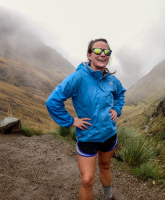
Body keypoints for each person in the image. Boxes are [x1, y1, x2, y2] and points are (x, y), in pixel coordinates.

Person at [46, 38, 126, 200]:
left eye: (107, 52)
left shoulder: (111, 79)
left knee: (105, 165)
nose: (103, 54)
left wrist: (117, 109)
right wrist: (71, 121)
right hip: (88, 136)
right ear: (89, 55)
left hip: (109, 134)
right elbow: (52, 101)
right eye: (97, 51)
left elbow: (120, 94)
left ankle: (108, 197)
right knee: (87, 180)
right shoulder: (77, 78)